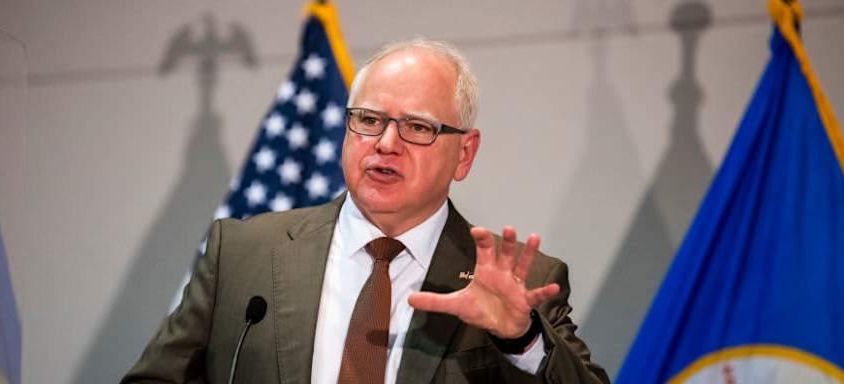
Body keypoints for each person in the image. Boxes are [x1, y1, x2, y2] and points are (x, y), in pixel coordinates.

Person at [122, 37, 609, 384]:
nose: (386, 144)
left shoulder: (519, 283)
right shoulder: (242, 255)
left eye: (417, 127)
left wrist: (521, 339)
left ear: (465, 153)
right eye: (369, 120)